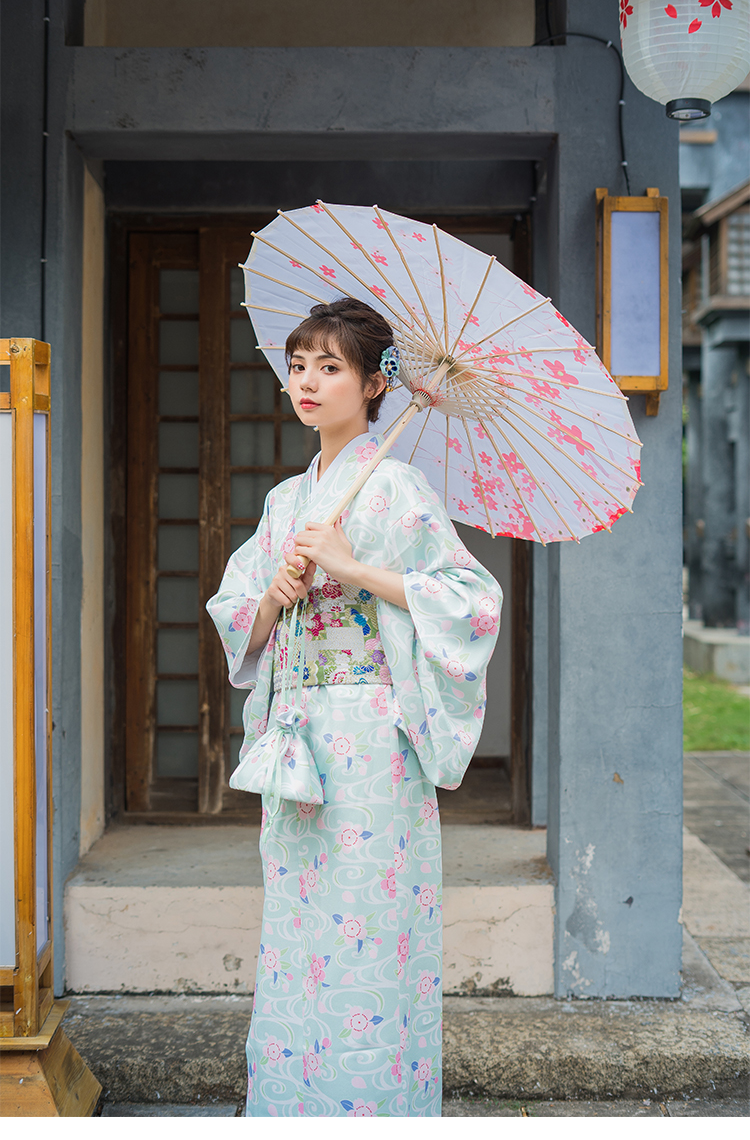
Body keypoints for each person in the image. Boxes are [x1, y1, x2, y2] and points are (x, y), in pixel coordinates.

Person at [206, 297, 501, 1117]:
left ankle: (370, 1108)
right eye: (298, 365)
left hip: (372, 739)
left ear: (375, 386)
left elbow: (473, 601)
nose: (306, 381)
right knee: (298, 929)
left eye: (330, 367)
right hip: (298, 733)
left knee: (369, 926)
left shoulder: (398, 486)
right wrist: (275, 595)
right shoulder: (285, 502)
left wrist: (353, 568)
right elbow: (237, 616)